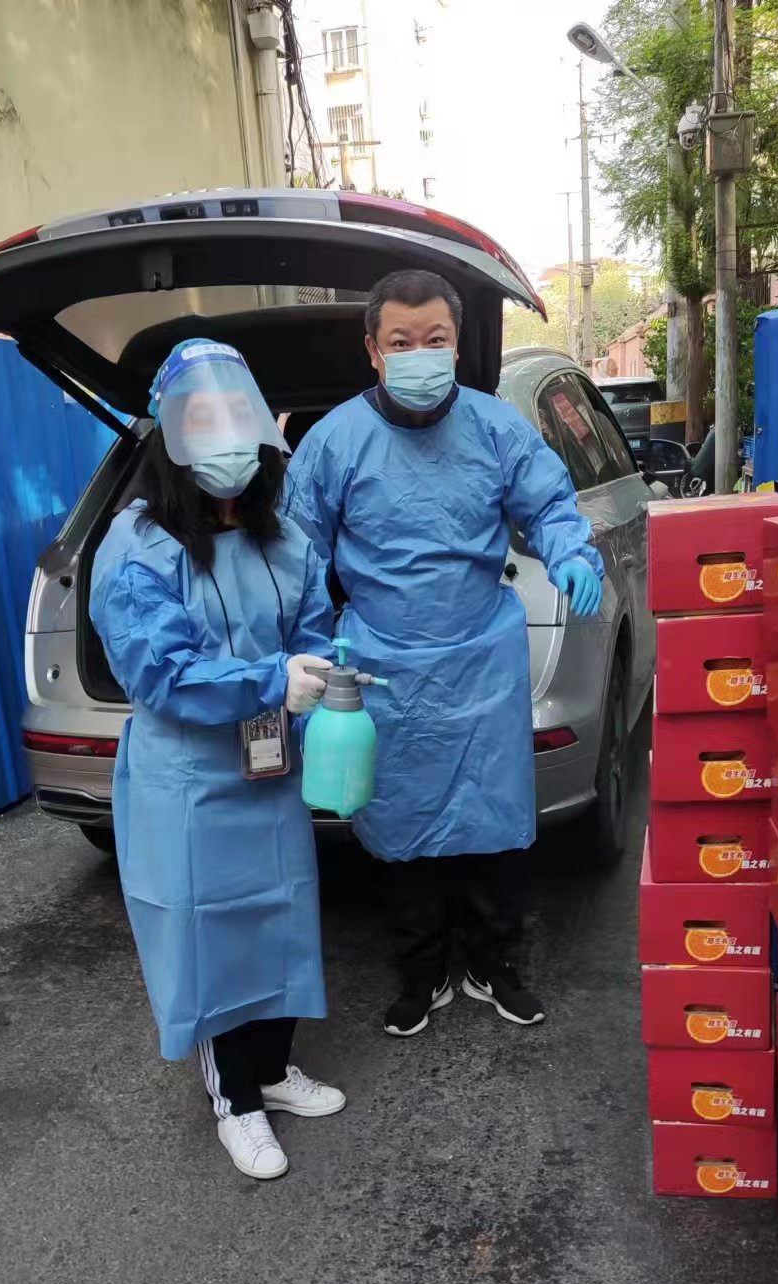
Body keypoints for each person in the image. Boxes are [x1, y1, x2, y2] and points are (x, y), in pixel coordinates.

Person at [284, 269, 604, 1038]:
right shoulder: (333, 443)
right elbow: (296, 557)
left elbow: (548, 503)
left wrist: (569, 552)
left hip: (480, 659)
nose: (419, 353)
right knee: (400, 824)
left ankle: (496, 965)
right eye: (401, 342)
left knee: (492, 821)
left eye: (435, 339)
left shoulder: (495, 427)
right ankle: (420, 971)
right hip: (382, 663)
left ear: (457, 345)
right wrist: (307, 653)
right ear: (372, 349)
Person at [90, 339, 344, 1181]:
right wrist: (273, 679)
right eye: (202, 417)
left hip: (269, 768)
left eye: (237, 415)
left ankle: (270, 1070)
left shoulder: (285, 537)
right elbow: (160, 673)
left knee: (279, 918)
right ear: (170, 433)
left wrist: (320, 684)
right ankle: (234, 1100)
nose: (225, 437)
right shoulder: (139, 546)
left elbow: (312, 631)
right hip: (189, 780)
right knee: (209, 933)